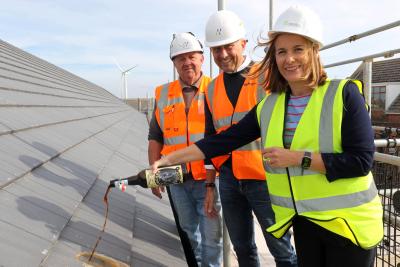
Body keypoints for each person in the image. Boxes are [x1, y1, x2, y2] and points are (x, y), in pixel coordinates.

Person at [152, 5, 384, 267]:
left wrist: (297, 158)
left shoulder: (344, 94)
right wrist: (168, 159)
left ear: (314, 51)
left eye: (298, 49)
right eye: (281, 52)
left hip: (349, 227)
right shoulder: (271, 105)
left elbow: (362, 161)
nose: (289, 59)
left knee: (283, 254)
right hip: (305, 219)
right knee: (248, 247)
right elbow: (219, 141)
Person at [202, 10, 297, 267]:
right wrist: (210, 186)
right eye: (215, 50)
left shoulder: (269, 76)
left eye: (227, 47)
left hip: (266, 179)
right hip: (230, 181)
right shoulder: (211, 88)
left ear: (243, 44)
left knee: (282, 250)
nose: (222, 55)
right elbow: (211, 139)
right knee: (243, 248)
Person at [147, 32, 223, 267]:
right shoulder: (163, 94)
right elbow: (155, 137)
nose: (187, 62)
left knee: (212, 237)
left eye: (192, 56)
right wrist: (154, 177)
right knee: (189, 231)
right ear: (174, 63)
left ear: (202, 58)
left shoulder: (217, 88)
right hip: (176, 179)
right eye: (180, 58)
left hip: (210, 177)